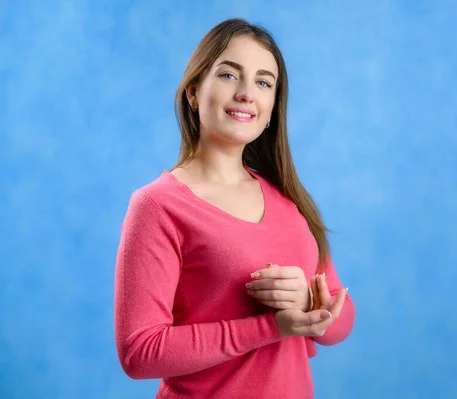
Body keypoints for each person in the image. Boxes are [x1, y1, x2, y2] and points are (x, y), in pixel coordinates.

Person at [114, 18, 356, 399]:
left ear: (273, 106)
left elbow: (342, 320)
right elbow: (140, 352)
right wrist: (274, 326)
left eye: (263, 82)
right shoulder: (156, 206)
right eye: (229, 75)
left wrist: (312, 306)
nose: (246, 93)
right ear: (194, 91)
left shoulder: (289, 199)